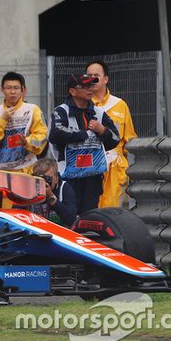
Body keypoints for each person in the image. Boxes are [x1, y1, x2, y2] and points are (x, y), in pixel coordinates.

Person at [49, 73, 120, 214]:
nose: (90, 89)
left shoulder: (99, 113)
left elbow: (116, 139)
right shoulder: (61, 111)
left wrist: (102, 131)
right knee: (70, 217)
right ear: (72, 91)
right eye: (85, 86)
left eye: (91, 85)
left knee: (90, 217)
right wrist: (84, 134)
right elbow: (55, 134)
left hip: (92, 176)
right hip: (69, 176)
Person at [85, 60, 137, 208]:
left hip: (115, 170)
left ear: (106, 79)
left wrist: (131, 169)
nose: (92, 79)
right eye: (89, 76)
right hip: (89, 168)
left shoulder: (119, 105)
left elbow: (130, 139)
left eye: (96, 75)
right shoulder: (81, 104)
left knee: (112, 215)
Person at [0, 71, 47, 174]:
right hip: (3, 171)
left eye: (16, 88)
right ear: (2, 89)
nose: (12, 92)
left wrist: (27, 142)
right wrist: (2, 120)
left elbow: (42, 137)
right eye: (8, 88)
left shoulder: (33, 109)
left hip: (28, 170)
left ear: (22, 90)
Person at [24, 159, 78, 227]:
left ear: (56, 179)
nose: (44, 183)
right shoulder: (27, 188)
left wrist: (52, 198)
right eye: (39, 179)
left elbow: (71, 220)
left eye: (47, 179)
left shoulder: (64, 189)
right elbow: (17, 213)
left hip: (58, 232)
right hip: (35, 231)